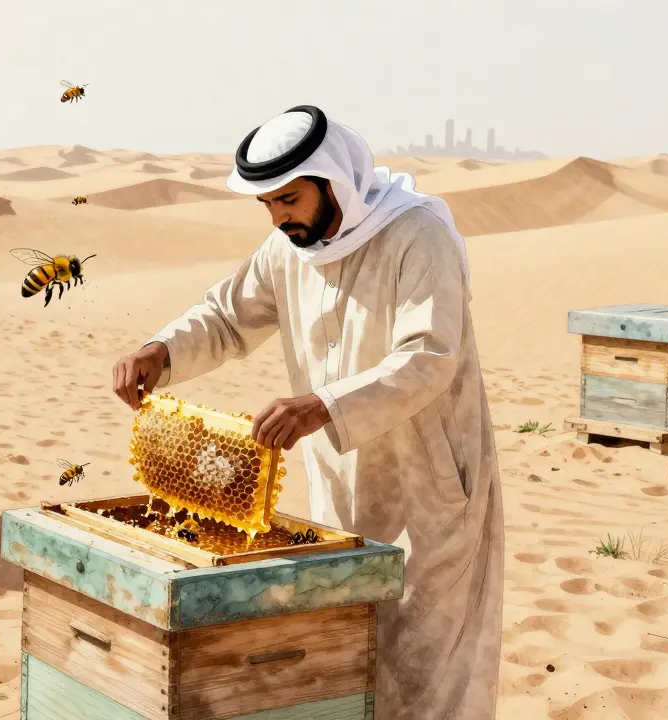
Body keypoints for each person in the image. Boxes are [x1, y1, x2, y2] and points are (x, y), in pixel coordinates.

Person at [111, 106, 504, 720]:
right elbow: (227, 316)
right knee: (348, 650)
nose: (279, 217)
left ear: (335, 181)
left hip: (431, 487)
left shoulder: (416, 235)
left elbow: (430, 356)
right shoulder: (288, 248)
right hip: (340, 483)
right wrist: (161, 351)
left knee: (428, 662)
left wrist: (324, 404)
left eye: (289, 199)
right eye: (267, 205)